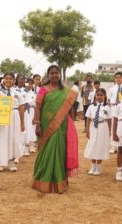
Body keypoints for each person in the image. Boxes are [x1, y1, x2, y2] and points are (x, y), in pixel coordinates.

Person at [32, 65, 79, 193]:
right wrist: (37, 124)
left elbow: (70, 109)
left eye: (56, 73)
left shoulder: (67, 91)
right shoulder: (43, 90)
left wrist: (72, 124)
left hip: (62, 125)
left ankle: (59, 181)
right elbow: (38, 108)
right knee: (46, 151)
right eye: (51, 73)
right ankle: (42, 179)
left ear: (60, 75)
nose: (54, 75)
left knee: (60, 151)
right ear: (48, 75)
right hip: (46, 124)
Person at [0, 72, 25, 170]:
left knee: (14, 138)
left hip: (15, 117)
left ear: (14, 80)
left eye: (10, 78)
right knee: (3, 138)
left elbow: (21, 108)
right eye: (6, 78)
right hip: (3, 116)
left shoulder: (18, 93)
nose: (8, 80)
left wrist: (22, 123)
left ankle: (11, 162)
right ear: (3, 79)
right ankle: (1, 162)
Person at [84, 88, 111, 176]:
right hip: (93, 127)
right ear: (95, 96)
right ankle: (93, 166)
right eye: (98, 95)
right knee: (93, 145)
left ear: (104, 96)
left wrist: (110, 131)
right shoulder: (91, 106)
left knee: (100, 145)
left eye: (101, 95)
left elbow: (109, 120)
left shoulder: (107, 107)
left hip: (103, 127)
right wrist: (87, 130)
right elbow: (88, 119)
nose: (99, 97)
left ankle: (98, 166)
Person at [108, 72, 122, 153]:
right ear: (115, 79)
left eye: (120, 77)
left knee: (121, 127)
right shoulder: (111, 89)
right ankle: (113, 146)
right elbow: (108, 100)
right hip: (114, 108)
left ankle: (120, 146)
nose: (118, 79)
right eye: (117, 77)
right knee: (113, 127)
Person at [24, 78, 37, 154]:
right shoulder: (22, 93)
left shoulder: (34, 94)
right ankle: (26, 147)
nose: (29, 85)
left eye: (31, 84)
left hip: (32, 112)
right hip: (25, 112)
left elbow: (36, 106)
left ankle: (32, 145)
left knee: (32, 128)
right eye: (28, 83)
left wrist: (35, 116)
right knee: (26, 128)